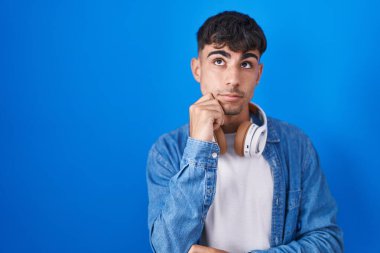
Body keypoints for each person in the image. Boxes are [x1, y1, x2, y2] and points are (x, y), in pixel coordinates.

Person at [146, 10, 344, 253]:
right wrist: (198, 147)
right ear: (197, 69)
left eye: (246, 64)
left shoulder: (296, 145)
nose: (233, 79)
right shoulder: (167, 151)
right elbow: (167, 247)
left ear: (258, 74)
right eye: (219, 61)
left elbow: (328, 240)